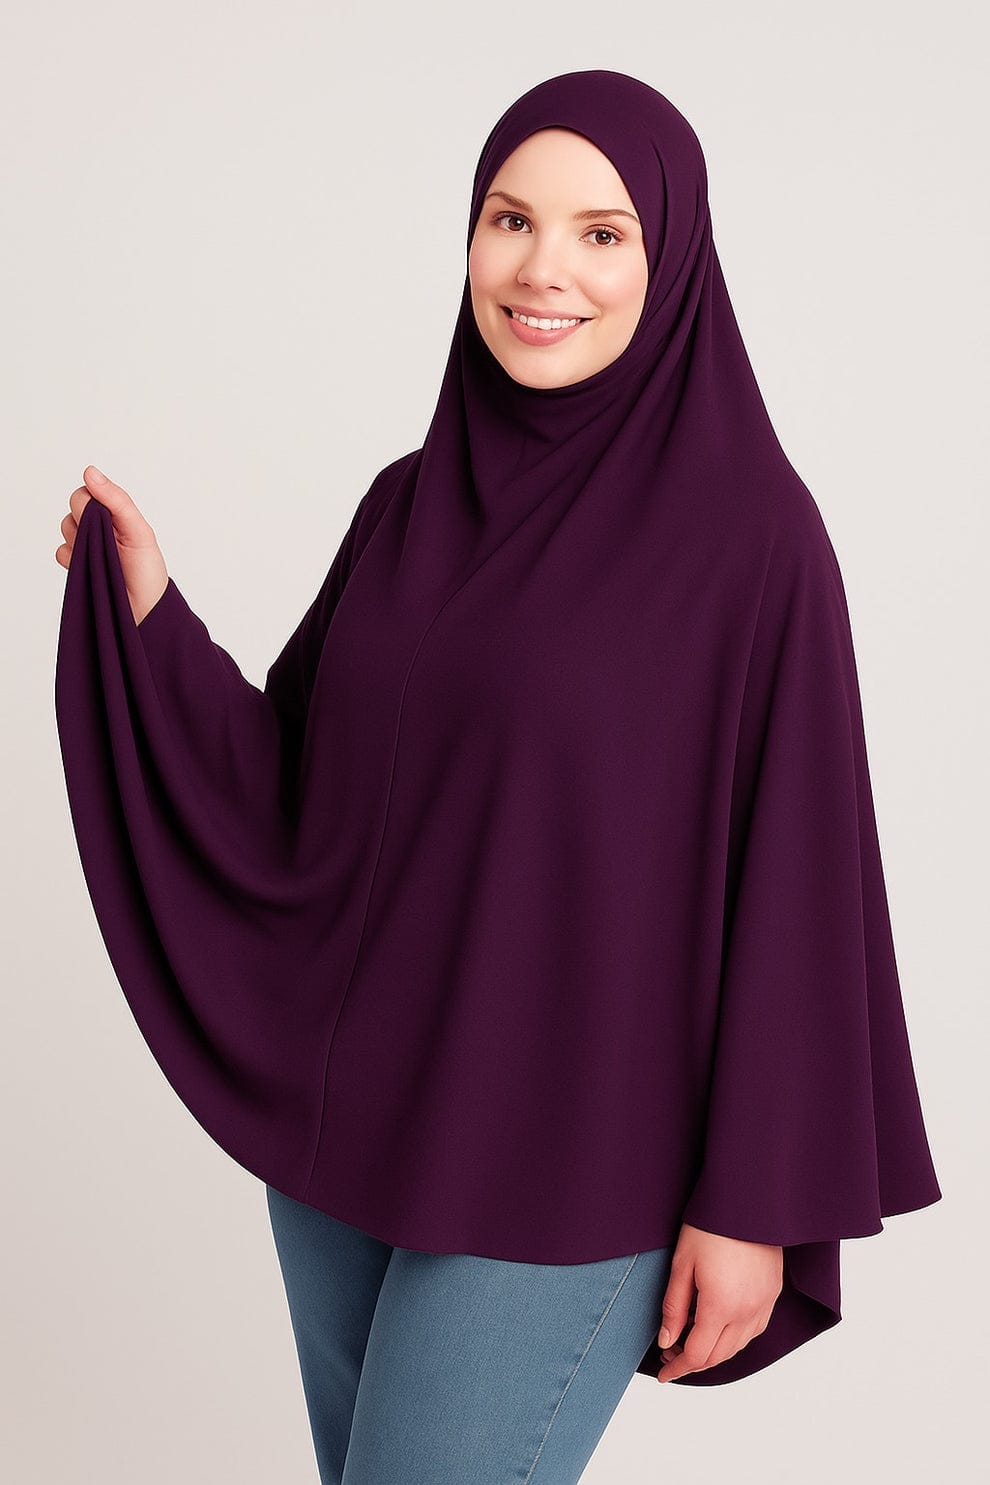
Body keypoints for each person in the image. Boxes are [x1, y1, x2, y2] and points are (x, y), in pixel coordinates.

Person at [53, 70, 941, 1485]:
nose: (542, 270)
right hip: (354, 1149)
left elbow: (799, 883)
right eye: (510, 220)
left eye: (601, 233)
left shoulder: (754, 543)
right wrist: (152, 620)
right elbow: (300, 791)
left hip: (577, 1168)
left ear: (672, 259)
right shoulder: (409, 507)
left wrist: (755, 1201)